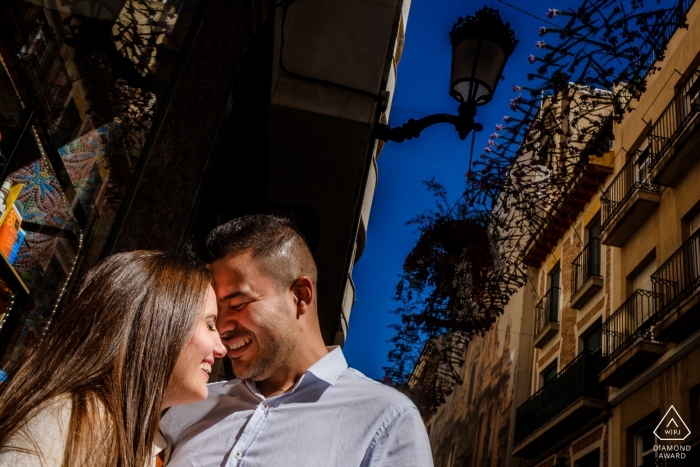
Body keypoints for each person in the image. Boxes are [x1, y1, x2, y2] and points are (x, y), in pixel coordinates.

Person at [161, 214, 433, 466]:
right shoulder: (187, 407)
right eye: (216, 313)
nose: (221, 328)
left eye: (238, 304)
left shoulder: (386, 419)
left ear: (300, 296)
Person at [0, 251, 226, 466]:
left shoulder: (149, 441)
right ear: (157, 325)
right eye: (209, 324)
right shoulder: (66, 421)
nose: (220, 349)